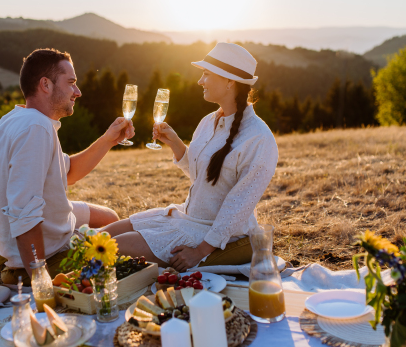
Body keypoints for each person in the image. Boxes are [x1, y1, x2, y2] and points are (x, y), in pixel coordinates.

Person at [102, 42, 278, 272]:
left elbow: (238, 207)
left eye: (206, 74)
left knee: (109, 246)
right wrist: (176, 144)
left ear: (230, 82)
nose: (200, 81)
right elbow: (201, 176)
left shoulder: (259, 139)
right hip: (185, 217)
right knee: (101, 235)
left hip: (213, 233)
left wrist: (200, 251)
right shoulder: (208, 122)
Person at [0, 48, 134, 284]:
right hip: (45, 254)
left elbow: (66, 172)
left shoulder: (18, 118)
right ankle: (29, 272)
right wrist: (41, 283)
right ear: (46, 85)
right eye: (71, 83)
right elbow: (24, 215)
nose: (78, 92)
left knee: (109, 216)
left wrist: (108, 139)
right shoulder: (36, 128)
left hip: (39, 226)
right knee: (135, 239)